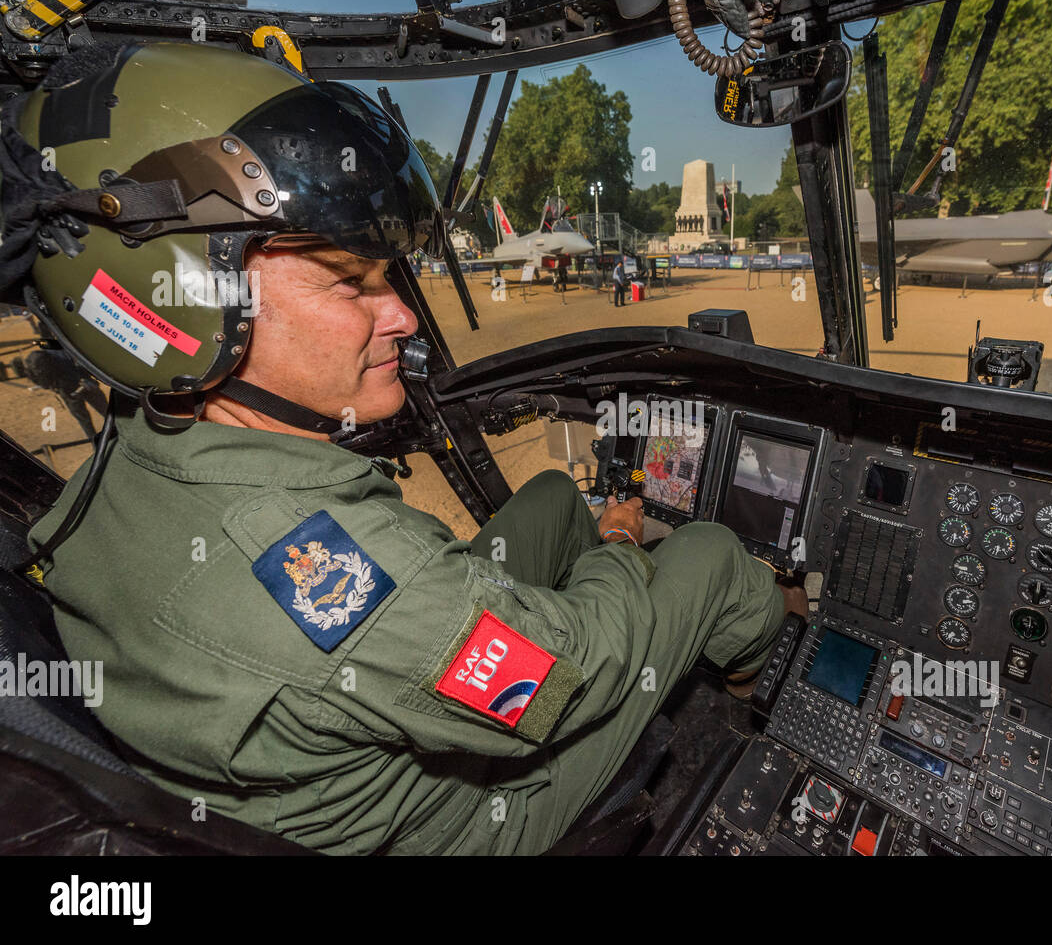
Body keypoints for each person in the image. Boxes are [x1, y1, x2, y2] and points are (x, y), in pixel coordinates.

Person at [6, 41, 800, 855]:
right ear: (195, 299)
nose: (405, 318)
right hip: (459, 820)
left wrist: (588, 543)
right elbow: (566, 674)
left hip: (288, 746)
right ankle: (758, 686)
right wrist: (626, 548)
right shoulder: (338, 578)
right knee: (704, 552)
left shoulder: (134, 445)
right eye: (352, 281)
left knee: (559, 500)